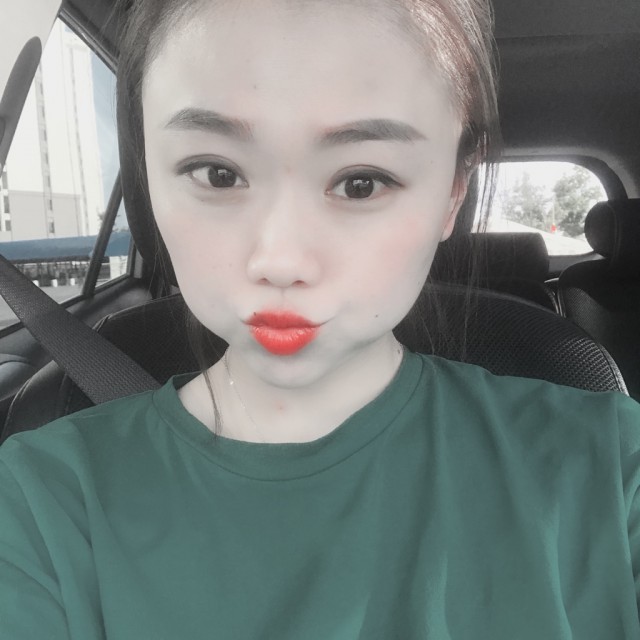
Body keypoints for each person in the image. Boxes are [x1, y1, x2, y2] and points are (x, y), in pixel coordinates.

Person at [1, 0, 640, 638]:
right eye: (216, 174)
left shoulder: (612, 468)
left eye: (362, 182)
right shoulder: (36, 504)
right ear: (149, 176)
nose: (281, 260)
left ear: (453, 192)